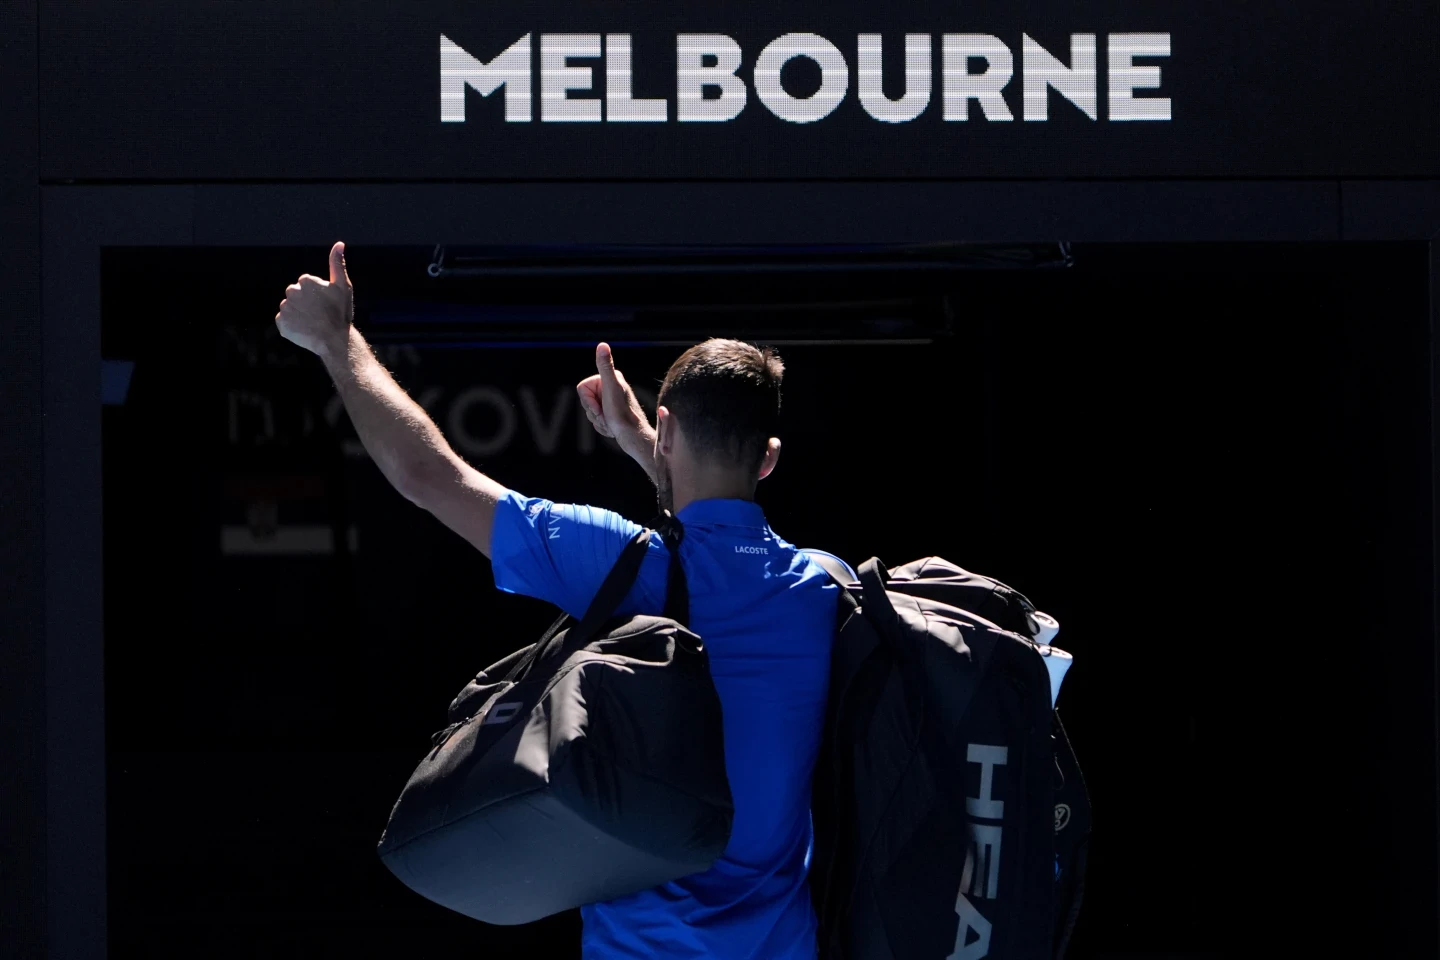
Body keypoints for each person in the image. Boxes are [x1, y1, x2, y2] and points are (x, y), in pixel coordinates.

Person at [275, 242, 838, 960]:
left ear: (668, 430)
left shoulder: (620, 563)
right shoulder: (824, 588)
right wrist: (650, 449)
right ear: (769, 457)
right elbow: (713, 549)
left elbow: (427, 475)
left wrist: (337, 339)